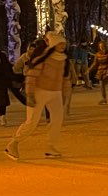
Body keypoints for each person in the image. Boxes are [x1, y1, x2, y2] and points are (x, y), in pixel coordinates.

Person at [5, 31, 71, 161]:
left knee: (57, 120)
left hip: (55, 93)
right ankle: (13, 144)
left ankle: (51, 147)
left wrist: (65, 94)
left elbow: (65, 78)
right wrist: (30, 94)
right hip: (39, 92)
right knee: (32, 122)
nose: (62, 46)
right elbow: (31, 76)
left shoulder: (64, 59)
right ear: (53, 44)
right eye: (59, 44)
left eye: (64, 44)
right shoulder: (43, 58)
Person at [89, 41, 108, 105]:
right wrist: (89, 69)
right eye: (100, 46)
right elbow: (95, 63)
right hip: (100, 71)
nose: (101, 47)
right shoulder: (97, 54)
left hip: (107, 70)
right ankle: (104, 98)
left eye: (102, 46)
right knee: (101, 85)